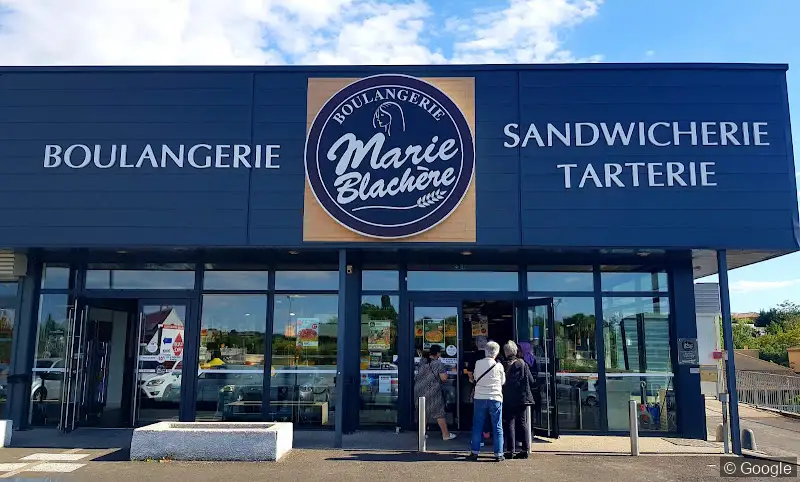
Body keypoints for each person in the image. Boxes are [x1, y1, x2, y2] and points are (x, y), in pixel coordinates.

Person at [467, 340, 505, 462]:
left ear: (485, 351)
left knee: (477, 425)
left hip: (480, 397)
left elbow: (475, 377)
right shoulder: (499, 366)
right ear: (497, 352)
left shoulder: (478, 363)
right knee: (497, 426)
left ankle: (474, 452)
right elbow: (503, 381)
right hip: (495, 398)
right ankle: (499, 454)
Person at [501, 340, 537, 459]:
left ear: (505, 352)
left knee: (509, 423)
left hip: (508, 398)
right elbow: (531, 380)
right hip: (522, 397)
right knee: (522, 423)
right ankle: (525, 449)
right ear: (516, 351)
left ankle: (510, 450)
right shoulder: (522, 363)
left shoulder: (503, 365)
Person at [413, 345, 457, 441]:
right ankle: (445, 434)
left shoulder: (422, 361)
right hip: (432, 391)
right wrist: (447, 373)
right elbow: (443, 378)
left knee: (423, 412)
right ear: (437, 353)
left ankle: (422, 434)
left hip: (419, 390)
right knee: (438, 412)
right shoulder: (438, 364)